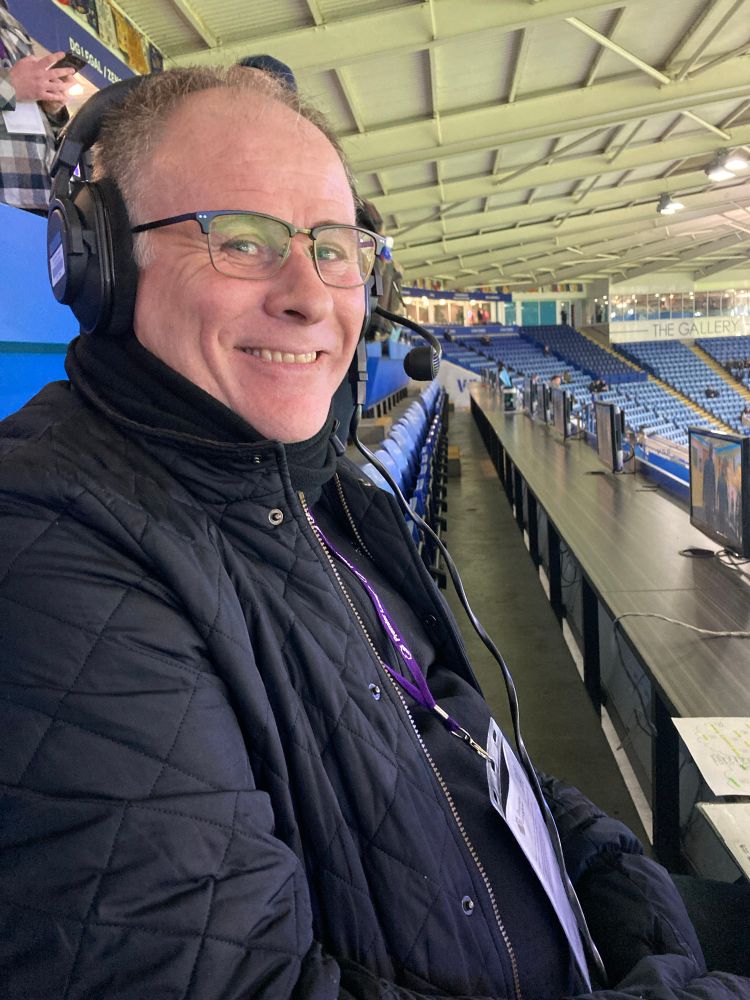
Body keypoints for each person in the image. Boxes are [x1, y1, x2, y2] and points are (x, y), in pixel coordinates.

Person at [0, 66, 748, 1000]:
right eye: (240, 240)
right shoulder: (47, 553)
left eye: (337, 248)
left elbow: (468, 746)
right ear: (99, 262)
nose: (312, 297)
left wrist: (630, 895)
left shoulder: (324, 493)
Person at [0, 1, 75, 212]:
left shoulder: (12, 23)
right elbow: (15, 88)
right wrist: (10, 87)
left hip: (41, 196)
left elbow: (24, 100)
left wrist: (50, 105)